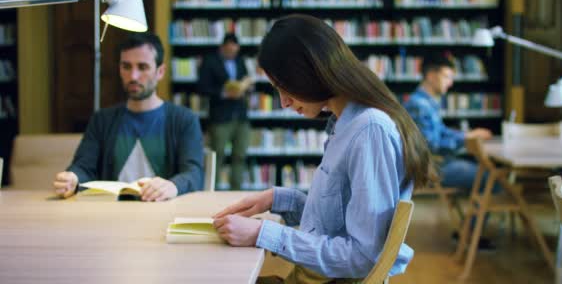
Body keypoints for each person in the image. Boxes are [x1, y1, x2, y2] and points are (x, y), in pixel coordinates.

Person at [211, 14, 436, 283]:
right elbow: (336, 222)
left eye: (285, 88)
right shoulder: (345, 123)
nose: (283, 102)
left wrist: (263, 234)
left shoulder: (368, 130)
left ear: (310, 72)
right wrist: (278, 199)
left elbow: (363, 257)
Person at [53, 33, 204, 201]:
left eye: (142, 67)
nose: (133, 76)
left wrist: (173, 185)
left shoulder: (184, 120)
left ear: (160, 71)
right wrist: (72, 179)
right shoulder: (102, 120)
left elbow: (194, 173)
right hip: (110, 216)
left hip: (163, 214)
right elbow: (84, 167)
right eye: (126, 66)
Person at [404, 54, 497, 249]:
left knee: (485, 174)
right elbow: (433, 144)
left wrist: (467, 134)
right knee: (489, 178)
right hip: (433, 167)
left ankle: (468, 231)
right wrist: (467, 138)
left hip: (437, 163)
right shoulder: (419, 105)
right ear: (430, 75)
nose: (451, 82)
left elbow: (441, 132)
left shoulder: (426, 102)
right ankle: (470, 234)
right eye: (447, 76)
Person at [198, 33, 252, 190]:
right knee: (217, 157)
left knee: (240, 156)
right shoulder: (210, 62)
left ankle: (236, 191)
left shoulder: (240, 61)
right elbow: (202, 87)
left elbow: (245, 79)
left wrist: (246, 87)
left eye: (235, 51)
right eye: (229, 51)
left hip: (241, 116)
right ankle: (211, 191)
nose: (232, 54)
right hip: (220, 117)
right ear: (222, 48)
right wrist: (223, 92)